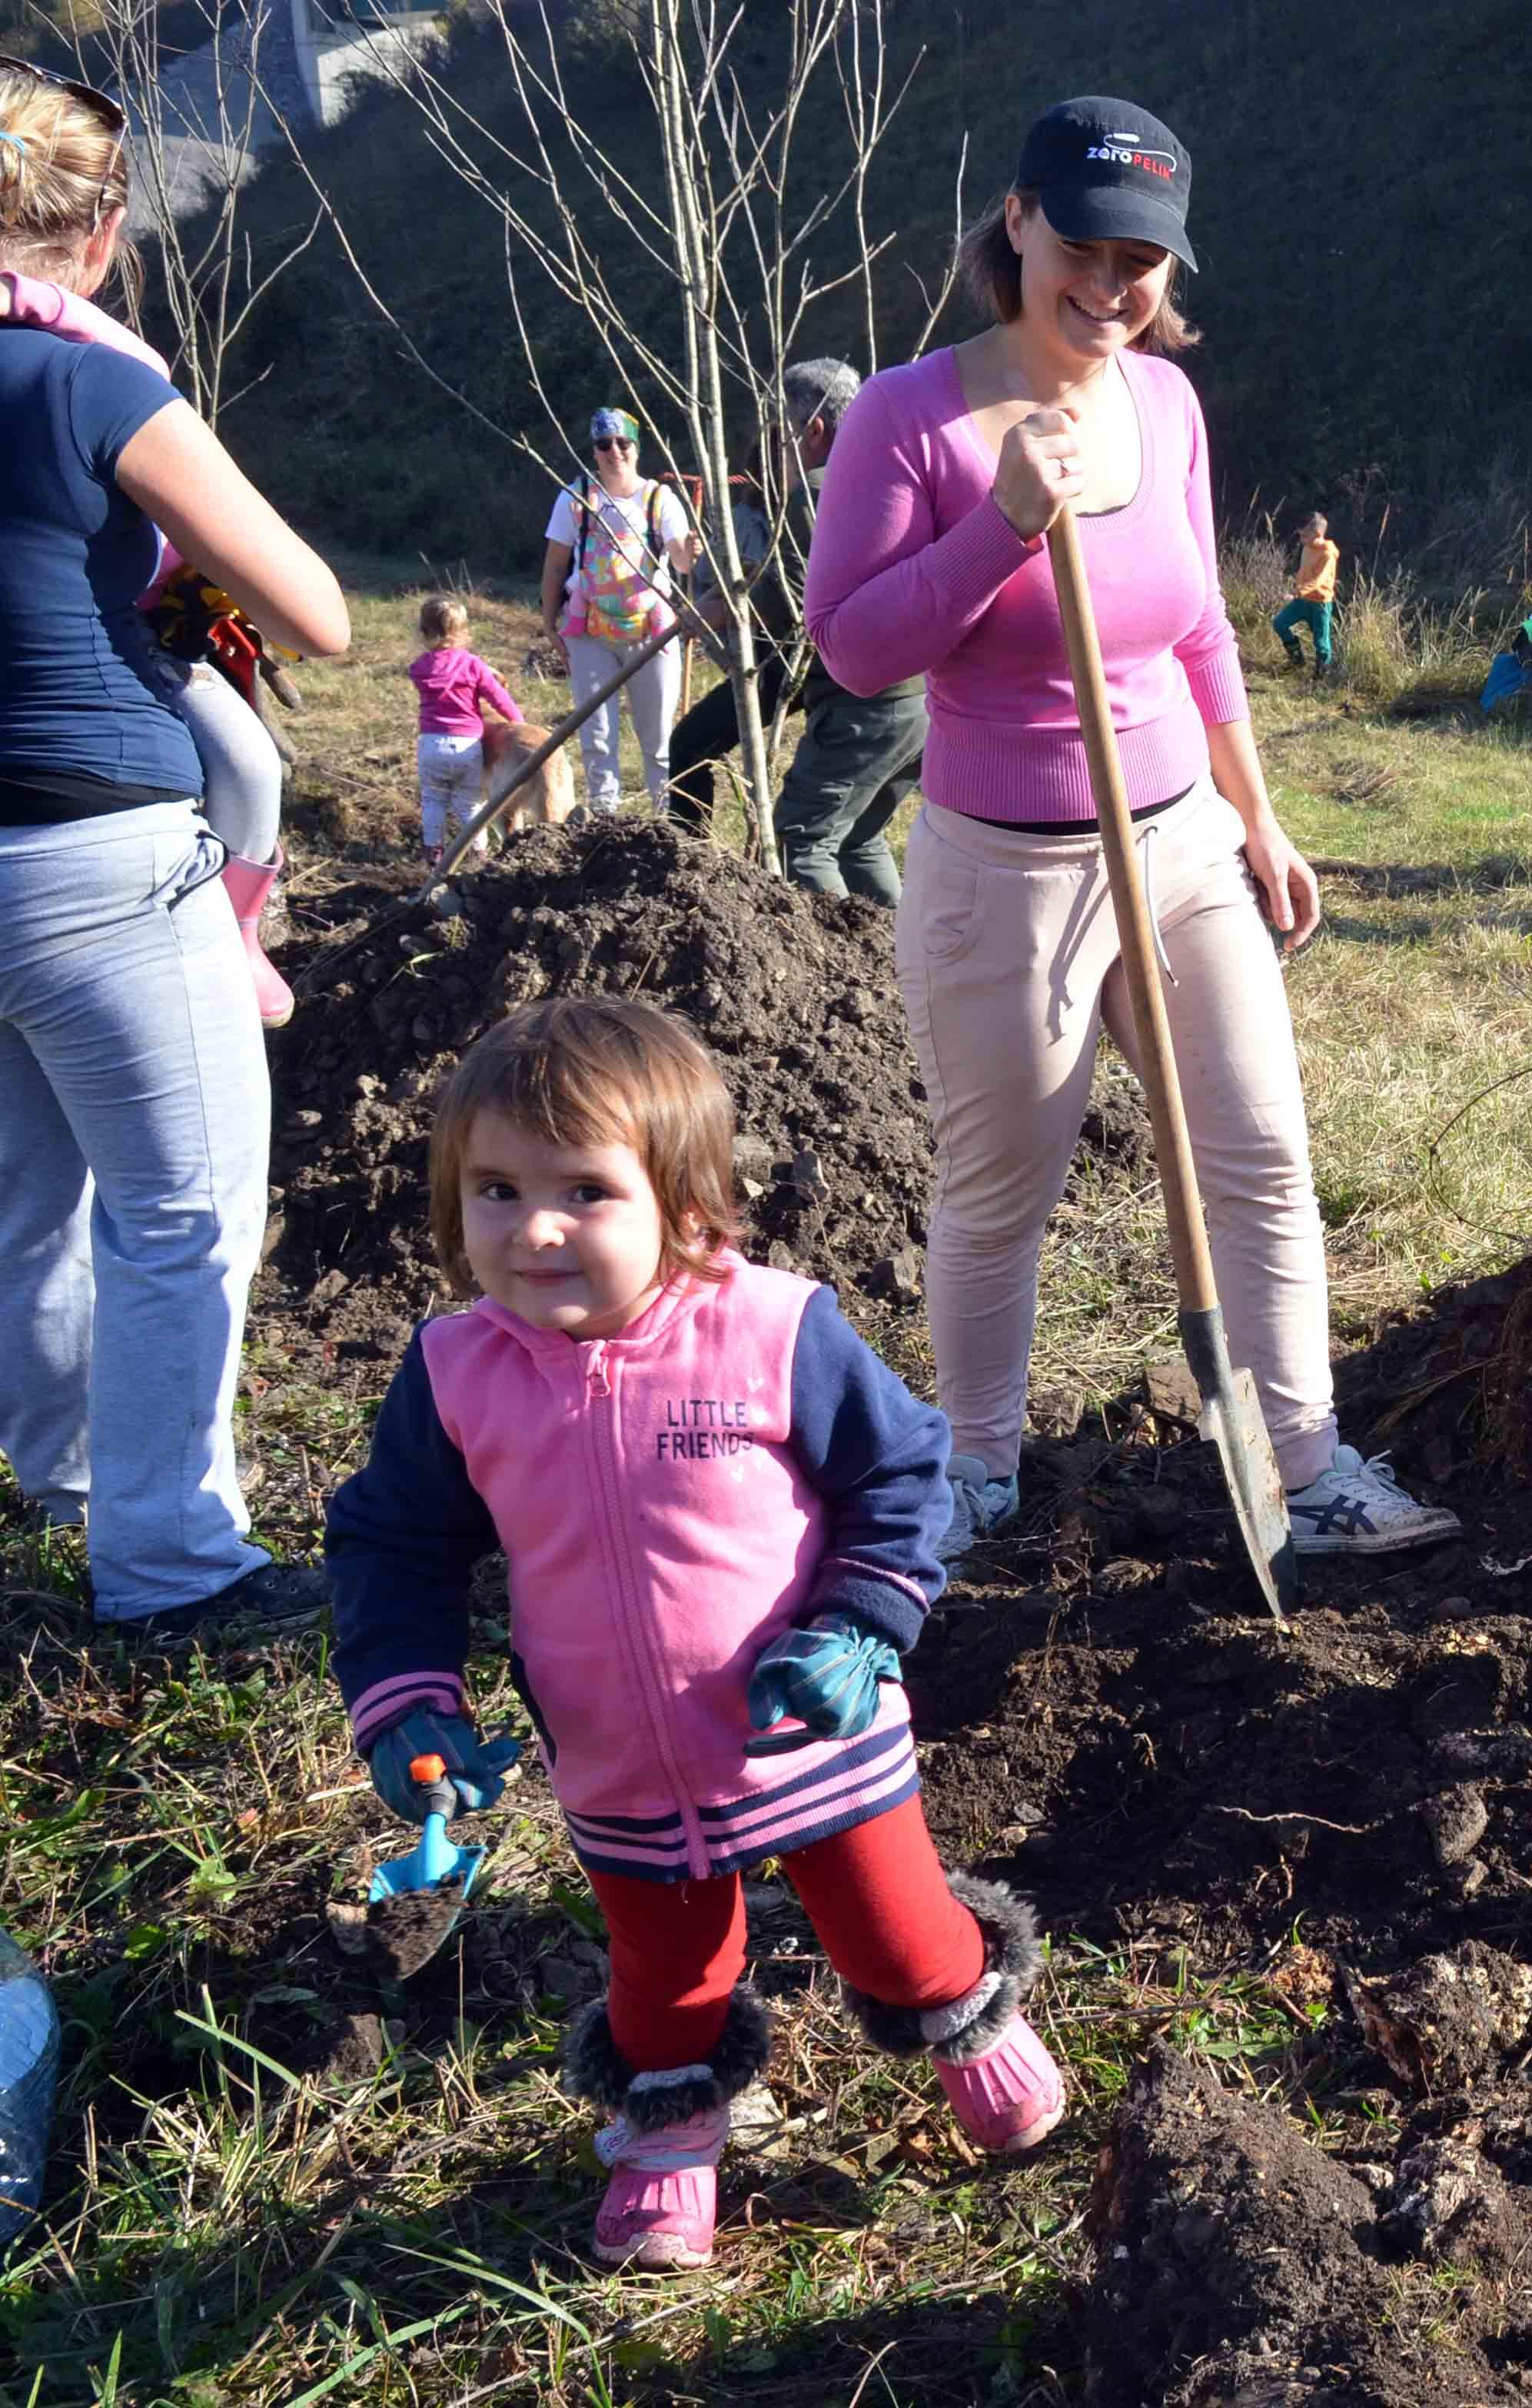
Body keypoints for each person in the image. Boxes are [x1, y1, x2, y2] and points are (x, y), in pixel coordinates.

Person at [807, 95, 1456, 1562]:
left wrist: (1258, 812)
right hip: (1001, 870)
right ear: (1018, 225)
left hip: (1178, 850)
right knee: (999, 1188)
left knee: (1261, 1154)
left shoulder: (1164, 405)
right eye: (1084, 248)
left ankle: (1305, 1462)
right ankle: (975, 1469)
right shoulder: (906, 420)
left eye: (1144, 260)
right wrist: (1004, 525)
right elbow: (851, 650)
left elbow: (1204, 629)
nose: (1111, 287)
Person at [323, 996, 1065, 2271]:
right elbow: (395, 1543)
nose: (535, 1228)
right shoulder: (455, 1373)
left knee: (891, 1936)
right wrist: (408, 1701)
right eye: (495, 1189)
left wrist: (861, 1623)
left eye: (586, 1192)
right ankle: (671, 2139)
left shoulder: (771, 1329)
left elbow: (904, 1474)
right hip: (620, 1763)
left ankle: (966, 2009)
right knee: (663, 1981)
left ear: (687, 1205)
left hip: (808, 1740)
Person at [0, 58, 351, 1641]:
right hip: (99, 859)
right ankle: (171, 1567)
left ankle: (67, 1482)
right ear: (103, 232)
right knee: (182, 1214)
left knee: (33, 1189)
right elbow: (316, 615)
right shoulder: (89, 385)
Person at [5, 259, 296, 1026]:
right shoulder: (90, 372)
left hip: (154, 642)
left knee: (251, 765)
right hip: (86, 660)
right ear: (104, 238)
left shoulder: (107, 371)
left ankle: (237, 923)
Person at [663, 358, 929, 900]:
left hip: (861, 703)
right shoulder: (890, 474)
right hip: (915, 696)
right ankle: (897, 968)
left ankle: (840, 973)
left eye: (777, 431)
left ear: (813, 431)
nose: (771, 446)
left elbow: (787, 598)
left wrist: (713, 613)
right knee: (857, 839)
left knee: (801, 839)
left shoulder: (814, 491)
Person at [539, 406, 700, 817]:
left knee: (659, 735)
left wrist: (690, 550)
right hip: (589, 629)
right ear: (594, 450)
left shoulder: (660, 499)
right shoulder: (575, 497)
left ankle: (667, 819)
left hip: (651, 632)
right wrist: (547, 620)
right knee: (597, 733)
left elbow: (681, 560)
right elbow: (556, 564)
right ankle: (604, 819)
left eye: (622, 443)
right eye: (604, 444)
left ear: (636, 447)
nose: (614, 452)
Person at [407, 596, 526, 860]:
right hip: (467, 745)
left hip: (430, 744)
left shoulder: (419, 667)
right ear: (463, 632)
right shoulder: (473, 665)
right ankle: (478, 852)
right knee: (470, 804)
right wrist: (518, 722)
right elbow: (499, 698)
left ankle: (432, 851)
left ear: (423, 632)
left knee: (433, 800)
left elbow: (419, 673)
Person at [1271, 511, 1337, 672]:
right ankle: (1297, 659)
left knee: (1321, 643)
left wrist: (1296, 593)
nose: (1301, 540)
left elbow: (1319, 581)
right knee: (1279, 623)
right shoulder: (1307, 548)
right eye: (1300, 536)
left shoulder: (1328, 554)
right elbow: (1304, 571)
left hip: (1320, 604)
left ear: (1317, 534)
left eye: (1305, 536)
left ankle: (1322, 675)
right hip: (1302, 601)